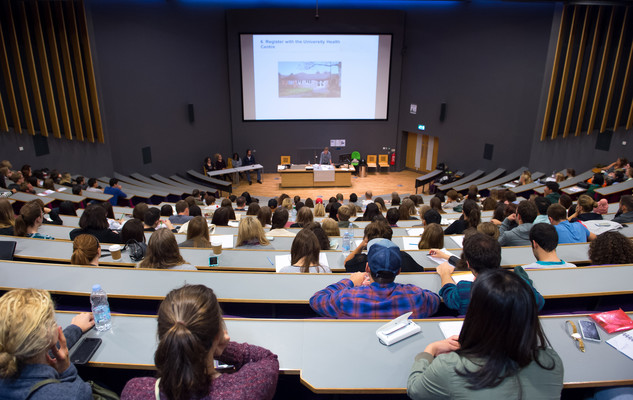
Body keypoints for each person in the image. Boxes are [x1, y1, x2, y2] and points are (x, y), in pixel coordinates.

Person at [407, 269, 563, 399]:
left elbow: (415, 389)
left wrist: (430, 350)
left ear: (476, 315)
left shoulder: (450, 367)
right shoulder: (551, 362)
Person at [121, 284, 279, 400]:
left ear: (164, 336)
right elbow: (266, 358)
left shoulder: (135, 392)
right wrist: (220, 348)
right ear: (217, 335)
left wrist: (213, 341)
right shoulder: (246, 390)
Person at [0, 289, 95, 399]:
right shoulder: (74, 394)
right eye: (54, 322)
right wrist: (67, 372)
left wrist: (75, 328)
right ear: (47, 335)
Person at [310, 239, 440, 319]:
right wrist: (409, 288)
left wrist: (349, 282)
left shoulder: (347, 297)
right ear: (399, 271)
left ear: (367, 268)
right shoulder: (416, 297)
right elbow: (435, 299)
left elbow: (316, 300)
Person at [435, 232, 544, 315]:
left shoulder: (465, 290)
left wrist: (445, 274)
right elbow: (539, 302)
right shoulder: (521, 285)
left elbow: (448, 293)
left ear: (468, 264)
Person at [345, 221, 425, 273]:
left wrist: (362, 244)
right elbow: (421, 271)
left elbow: (346, 264)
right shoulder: (404, 257)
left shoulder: (362, 260)